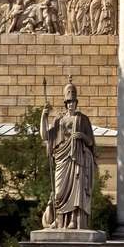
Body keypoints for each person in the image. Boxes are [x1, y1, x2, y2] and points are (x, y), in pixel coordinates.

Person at [43, 79, 98, 230]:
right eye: (69, 102)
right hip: (62, 157)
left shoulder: (83, 119)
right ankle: (59, 221)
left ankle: (74, 220)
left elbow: (91, 142)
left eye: (73, 101)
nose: (71, 104)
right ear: (65, 103)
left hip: (78, 157)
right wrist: (43, 116)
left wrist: (81, 136)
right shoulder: (59, 119)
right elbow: (46, 136)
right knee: (59, 191)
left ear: (76, 102)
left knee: (77, 188)